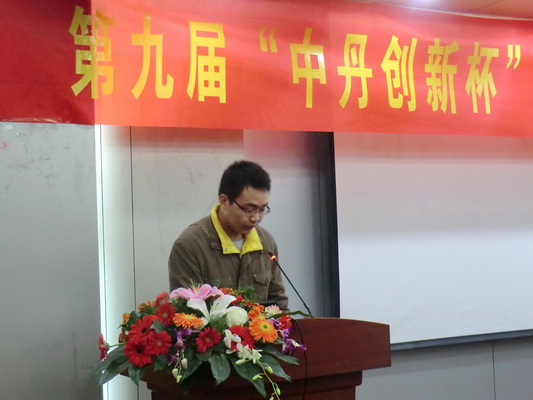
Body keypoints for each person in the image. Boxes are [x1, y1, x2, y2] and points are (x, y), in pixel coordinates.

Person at [168, 160, 289, 311]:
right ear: (224, 201)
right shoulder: (190, 245)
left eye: (262, 209)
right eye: (248, 209)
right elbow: (187, 314)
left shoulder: (266, 242)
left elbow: (278, 303)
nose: (256, 218)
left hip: (261, 327)